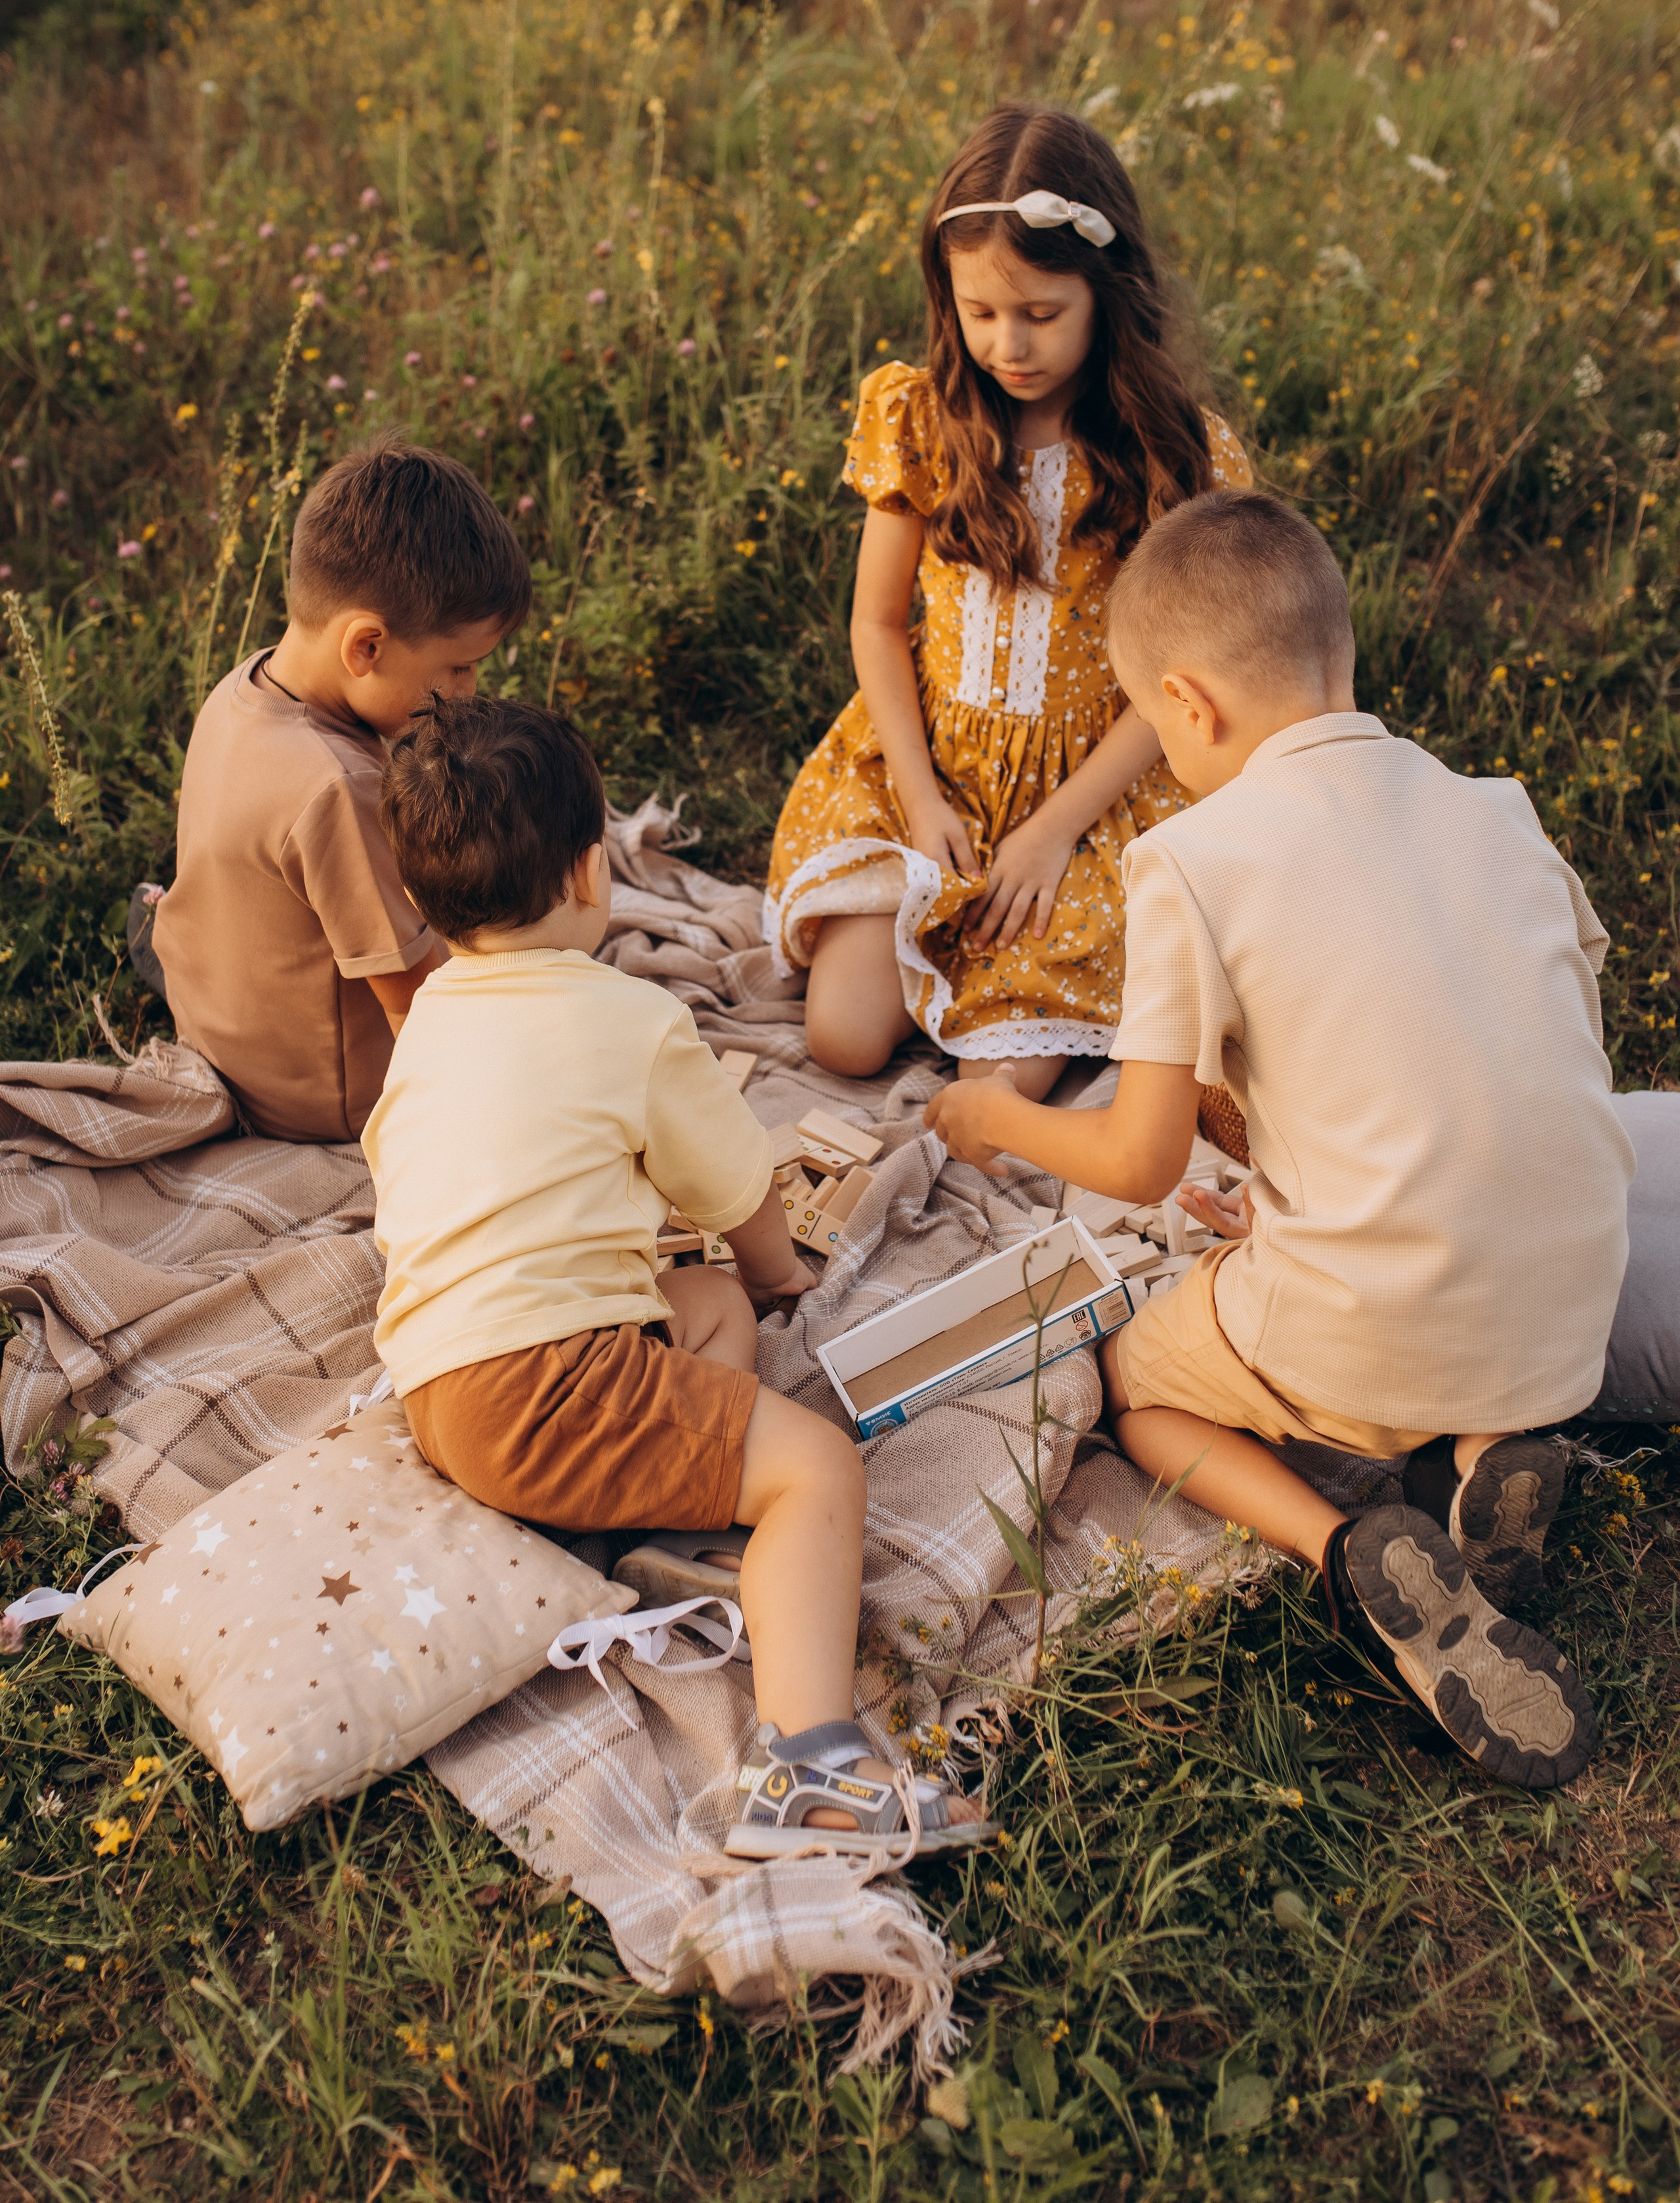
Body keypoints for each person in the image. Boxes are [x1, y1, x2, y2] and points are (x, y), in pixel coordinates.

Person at [925, 488, 1633, 1790]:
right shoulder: (1498, 809)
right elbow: (1521, 1049)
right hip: (1568, 1308)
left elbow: (1139, 1162)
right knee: (1462, 1279)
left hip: (1370, 1316)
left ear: (1184, 707)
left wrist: (995, 1115)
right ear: (1337, 649)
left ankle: (1342, 1556)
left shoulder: (1188, 860)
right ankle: (1490, 1454)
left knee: (1136, 1384)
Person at [365, 694, 991, 1858]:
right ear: (594, 873)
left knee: (695, 1305)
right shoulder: (634, 1020)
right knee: (813, 1468)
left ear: (420, 898)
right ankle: (809, 1763)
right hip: (546, 1390)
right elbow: (744, 1204)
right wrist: (783, 1271)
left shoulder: (432, 1019)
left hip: (442, 1391)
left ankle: (673, 1501)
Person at [765, 101, 1252, 1110]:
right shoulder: (923, 418)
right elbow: (875, 623)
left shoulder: (1171, 455)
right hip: (932, 770)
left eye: (1040, 314)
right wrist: (920, 791)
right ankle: (957, 964)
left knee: (1004, 1083)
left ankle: (1046, 997)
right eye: (981, 313)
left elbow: (1179, 686)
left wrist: (1053, 831)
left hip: (1092, 794)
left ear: (1106, 295)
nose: (1008, 344)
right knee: (844, 1037)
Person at [154, 438, 530, 1143]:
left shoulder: (244, 686)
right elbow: (416, 1002)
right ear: (366, 647)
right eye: (458, 667)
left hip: (219, 1033)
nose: (468, 691)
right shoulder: (339, 786)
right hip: (324, 1101)